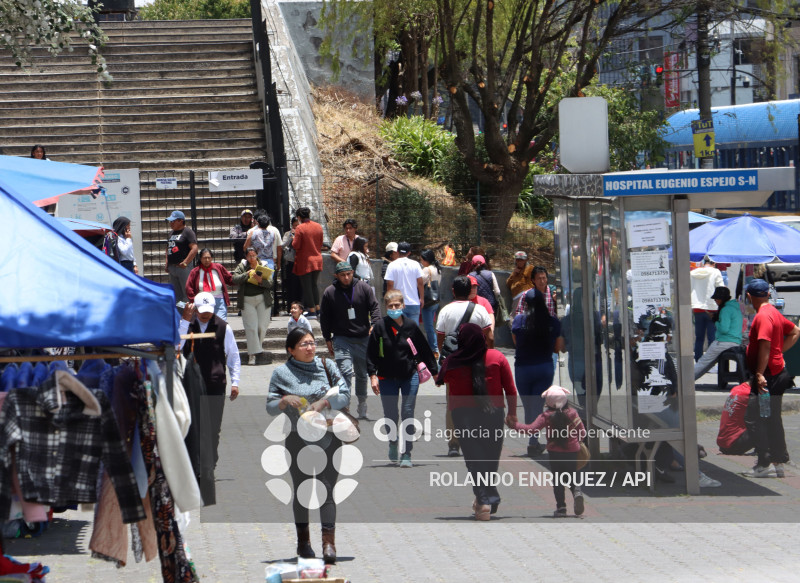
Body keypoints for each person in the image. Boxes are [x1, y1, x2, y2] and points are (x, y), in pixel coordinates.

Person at [266, 328, 351, 564]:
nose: (310, 348)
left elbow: (345, 394)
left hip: (329, 437)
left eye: (312, 343)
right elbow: (269, 406)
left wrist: (324, 402)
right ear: (290, 350)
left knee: (327, 489)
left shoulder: (327, 366)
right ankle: (303, 543)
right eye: (303, 344)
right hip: (296, 439)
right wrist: (283, 401)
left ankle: (329, 544)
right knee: (302, 491)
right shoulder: (281, 373)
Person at [437, 323, 517, 520]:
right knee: (490, 457)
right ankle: (488, 496)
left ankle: (485, 500)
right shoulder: (497, 358)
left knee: (474, 459)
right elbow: (511, 389)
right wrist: (512, 414)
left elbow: (440, 379)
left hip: (463, 416)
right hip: (494, 414)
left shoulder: (453, 361)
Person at [367, 290, 438, 467]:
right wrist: (373, 375)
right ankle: (393, 441)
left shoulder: (411, 326)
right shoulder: (380, 327)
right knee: (390, 414)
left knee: (407, 412)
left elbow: (424, 350)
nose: (394, 308)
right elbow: (371, 354)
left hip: (409, 375)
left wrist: (436, 373)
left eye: (397, 305)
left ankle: (406, 453)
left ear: (403, 305)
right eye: (390, 306)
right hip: (386, 377)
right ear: (386, 307)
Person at [742, 279, 800, 478]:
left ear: (749, 296)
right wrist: (779, 353)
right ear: (767, 294)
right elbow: (795, 331)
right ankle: (779, 461)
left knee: (754, 418)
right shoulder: (773, 312)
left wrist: (759, 373)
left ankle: (765, 463)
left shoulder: (763, 316)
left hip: (768, 377)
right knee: (771, 417)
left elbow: (765, 345)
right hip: (775, 374)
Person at [179, 292, 240, 469]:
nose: (205, 315)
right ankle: (196, 463)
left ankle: (210, 462)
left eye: (208, 311)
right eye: (201, 311)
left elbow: (233, 356)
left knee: (213, 427)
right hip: (191, 382)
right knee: (194, 425)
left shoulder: (223, 327)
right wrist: (184, 321)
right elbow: (177, 347)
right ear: (195, 309)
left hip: (215, 382)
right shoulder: (186, 325)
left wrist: (235, 382)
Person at [436, 275, 494, 457]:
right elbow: (490, 337)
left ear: (453, 290)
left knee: (453, 403)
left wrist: (447, 355)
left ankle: (454, 443)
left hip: (454, 364)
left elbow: (440, 337)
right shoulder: (480, 310)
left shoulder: (445, 311)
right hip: (476, 363)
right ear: (470, 291)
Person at [320, 262, 381, 419]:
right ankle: (344, 406)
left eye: (348, 274)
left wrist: (374, 324)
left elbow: (375, 307)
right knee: (345, 372)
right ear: (336, 276)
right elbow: (325, 317)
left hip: (362, 338)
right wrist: (327, 337)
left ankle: (362, 404)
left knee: (361, 374)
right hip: (341, 338)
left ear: (353, 272)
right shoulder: (330, 292)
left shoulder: (363, 288)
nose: (346, 278)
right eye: (342, 275)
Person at [513, 386, 585, 517]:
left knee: (558, 480)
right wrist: (578, 442)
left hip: (555, 453)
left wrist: (515, 425)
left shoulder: (546, 416)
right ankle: (577, 493)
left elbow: (531, 430)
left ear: (548, 402)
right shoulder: (573, 413)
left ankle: (561, 508)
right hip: (572, 451)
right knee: (571, 476)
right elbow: (583, 432)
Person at [512, 288, 564, 457]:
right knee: (537, 405)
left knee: (528, 406)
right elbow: (557, 348)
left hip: (523, 369)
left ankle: (532, 441)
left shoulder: (519, 321)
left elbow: (516, 343)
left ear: (525, 304)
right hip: (544, 368)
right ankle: (533, 442)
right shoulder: (552, 322)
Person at [232, 247, 273, 365]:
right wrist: (246, 274)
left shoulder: (263, 265)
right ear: (246, 256)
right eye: (249, 256)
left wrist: (260, 280)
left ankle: (257, 348)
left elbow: (270, 283)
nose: (252, 258)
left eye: (253, 255)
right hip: (247, 300)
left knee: (261, 326)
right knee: (251, 327)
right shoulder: (242, 266)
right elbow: (235, 279)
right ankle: (252, 354)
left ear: (257, 255)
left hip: (262, 299)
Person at [694, 286, 743, 379]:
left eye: (717, 299)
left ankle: (683, 381)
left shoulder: (725, 310)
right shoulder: (735, 307)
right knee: (709, 363)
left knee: (703, 362)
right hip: (736, 341)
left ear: (722, 299)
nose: (716, 301)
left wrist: (715, 320)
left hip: (724, 341)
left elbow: (724, 329)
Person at [690, 257, 724, 362]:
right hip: (712, 308)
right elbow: (721, 288)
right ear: (713, 263)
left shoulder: (693, 273)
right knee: (712, 337)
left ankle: (698, 359)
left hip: (697, 308)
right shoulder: (715, 272)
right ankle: (710, 361)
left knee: (699, 337)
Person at [292, 207, 324, 319]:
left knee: (307, 286)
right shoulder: (318, 226)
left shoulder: (300, 228)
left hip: (305, 261)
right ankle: (318, 308)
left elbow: (296, 245)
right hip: (317, 259)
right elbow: (320, 243)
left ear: (299, 217)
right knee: (314, 285)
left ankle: (311, 311)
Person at [186, 248, 234, 321]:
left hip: (219, 300)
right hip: (203, 302)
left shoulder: (218, 267)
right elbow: (188, 287)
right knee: (206, 323)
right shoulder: (195, 271)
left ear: (212, 258)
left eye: (209, 258)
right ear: (200, 258)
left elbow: (230, 279)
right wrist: (194, 300)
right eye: (205, 258)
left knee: (221, 323)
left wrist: (241, 277)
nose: (207, 260)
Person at [384, 241, 424, 322]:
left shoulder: (392, 265)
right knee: (413, 331)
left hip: (398, 303)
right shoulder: (416, 264)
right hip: (414, 303)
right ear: (409, 253)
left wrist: (389, 300)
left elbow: (390, 284)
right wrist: (422, 298)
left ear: (397, 252)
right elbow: (420, 283)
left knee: (399, 330)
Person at [165, 210, 198, 303]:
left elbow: (194, 248)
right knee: (177, 295)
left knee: (187, 293)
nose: (171, 223)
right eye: (170, 221)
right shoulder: (171, 233)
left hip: (183, 268)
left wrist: (186, 262)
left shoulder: (188, 232)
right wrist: (167, 263)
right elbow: (168, 248)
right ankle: (180, 315)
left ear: (180, 221)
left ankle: (189, 316)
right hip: (172, 267)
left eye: (173, 221)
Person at [717, 380, 755, 455]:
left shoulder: (736, 389)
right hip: (733, 444)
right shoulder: (750, 394)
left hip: (723, 443)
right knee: (766, 420)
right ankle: (766, 453)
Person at [419, 249, 441, 356]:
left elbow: (419, 282)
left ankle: (434, 349)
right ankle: (434, 347)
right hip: (435, 300)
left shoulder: (426, 270)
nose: (421, 262)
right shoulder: (437, 268)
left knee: (428, 327)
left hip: (427, 301)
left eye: (422, 259)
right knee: (431, 325)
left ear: (426, 260)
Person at [282, 217, 302, 306]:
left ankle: (301, 305)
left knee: (300, 285)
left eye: (298, 225)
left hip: (301, 262)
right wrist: (291, 237)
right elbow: (283, 245)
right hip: (290, 262)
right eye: (294, 226)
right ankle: (291, 305)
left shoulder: (302, 233)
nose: (296, 227)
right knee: (291, 285)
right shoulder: (287, 234)